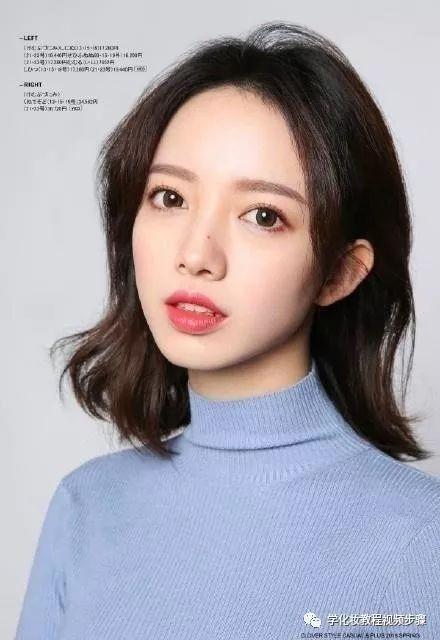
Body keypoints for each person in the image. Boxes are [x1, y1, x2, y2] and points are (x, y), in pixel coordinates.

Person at [15, 20, 440, 640]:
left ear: (340, 273)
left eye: (263, 215)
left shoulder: (422, 541)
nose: (196, 255)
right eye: (169, 198)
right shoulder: (86, 509)